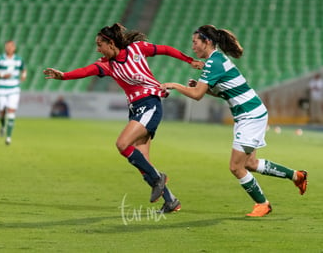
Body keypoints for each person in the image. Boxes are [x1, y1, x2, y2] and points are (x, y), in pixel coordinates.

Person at [44, 23, 204, 213]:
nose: (98, 48)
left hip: (150, 104)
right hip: (136, 109)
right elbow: (86, 71)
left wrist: (189, 60)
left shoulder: (136, 49)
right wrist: (63, 76)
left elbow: (165, 49)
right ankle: (171, 201)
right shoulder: (107, 65)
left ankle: (159, 178)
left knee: (122, 144)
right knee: (143, 162)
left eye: (100, 44)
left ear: (111, 43)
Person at [161, 25, 308, 217]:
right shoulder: (217, 60)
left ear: (207, 42)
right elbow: (225, 92)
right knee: (251, 164)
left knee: (236, 167)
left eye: (195, 42)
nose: (193, 47)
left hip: (250, 115)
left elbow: (197, 95)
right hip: (250, 113)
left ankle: (263, 204)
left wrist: (174, 85)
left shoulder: (214, 62)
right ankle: (297, 176)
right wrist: (207, 89)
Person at [0, 40, 27, 145]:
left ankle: (8, 138)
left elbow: (24, 69)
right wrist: (2, 75)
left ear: (14, 48)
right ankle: (2, 126)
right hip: (2, 88)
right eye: (7, 46)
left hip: (14, 89)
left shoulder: (19, 60)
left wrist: (24, 75)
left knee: (11, 111)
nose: (9, 48)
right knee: (2, 111)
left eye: (11, 46)